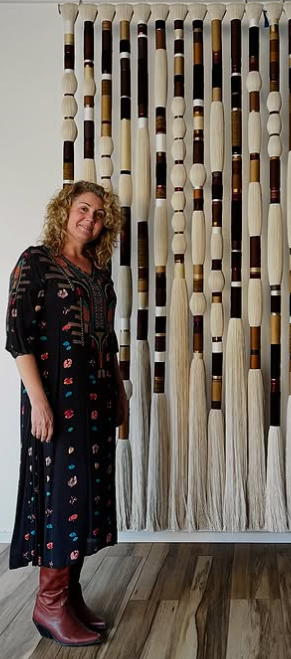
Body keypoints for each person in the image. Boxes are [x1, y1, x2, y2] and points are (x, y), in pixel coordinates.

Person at [5, 180, 126, 647]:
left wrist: (119, 391)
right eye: (83, 208)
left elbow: (108, 340)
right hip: (57, 399)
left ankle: (69, 595)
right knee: (61, 496)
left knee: (88, 495)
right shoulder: (36, 262)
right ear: (65, 210)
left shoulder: (100, 275)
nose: (89, 219)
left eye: (99, 215)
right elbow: (18, 336)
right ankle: (49, 603)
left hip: (96, 399)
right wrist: (38, 400)